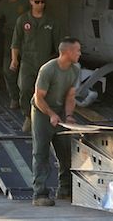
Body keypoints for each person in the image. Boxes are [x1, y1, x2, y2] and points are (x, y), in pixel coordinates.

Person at [31, 37, 81, 207]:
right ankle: (40, 194)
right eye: (77, 50)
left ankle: (65, 189)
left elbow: (70, 96)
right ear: (67, 52)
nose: (79, 54)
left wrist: (69, 116)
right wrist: (51, 114)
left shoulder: (75, 70)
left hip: (59, 112)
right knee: (41, 153)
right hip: (42, 111)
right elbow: (38, 98)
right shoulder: (48, 69)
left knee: (66, 151)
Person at [10, 0, 62, 132]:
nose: (40, 5)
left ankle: (41, 118)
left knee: (44, 92)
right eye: (37, 2)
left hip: (45, 62)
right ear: (31, 2)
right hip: (27, 62)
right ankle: (28, 116)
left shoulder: (52, 22)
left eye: (42, 2)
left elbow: (59, 45)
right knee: (25, 88)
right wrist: (14, 60)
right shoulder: (23, 20)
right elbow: (15, 42)